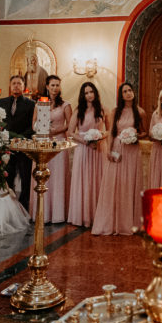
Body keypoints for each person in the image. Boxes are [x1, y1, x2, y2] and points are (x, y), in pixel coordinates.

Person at [92, 82, 147, 235]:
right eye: (125, 91)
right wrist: (109, 151)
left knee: (129, 183)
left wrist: (134, 135)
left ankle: (129, 222)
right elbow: (111, 133)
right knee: (114, 184)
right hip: (117, 148)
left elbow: (145, 132)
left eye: (130, 90)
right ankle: (112, 221)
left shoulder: (140, 112)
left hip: (132, 150)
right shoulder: (115, 111)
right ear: (121, 95)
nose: (128, 93)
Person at [30, 75, 72, 223]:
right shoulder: (40, 104)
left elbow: (70, 124)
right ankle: (43, 213)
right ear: (47, 86)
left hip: (58, 142)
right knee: (43, 175)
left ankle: (58, 214)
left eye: (57, 85)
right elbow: (33, 124)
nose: (55, 88)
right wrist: (41, 129)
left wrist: (56, 130)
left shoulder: (65, 105)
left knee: (57, 176)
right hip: (43, 142)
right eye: (52, 85)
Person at [67, 82, 107, 227]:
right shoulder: (78, 111)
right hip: (83, 150)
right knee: (84, 181)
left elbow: (109, 130)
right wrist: (86, 141)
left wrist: (100, 137)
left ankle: (98, 215)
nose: (89, 95)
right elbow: (70, 133)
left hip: (98, 150)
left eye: (91, 92)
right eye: (86, 93)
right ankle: (83, 216)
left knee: (97, 179)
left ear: (95, 93)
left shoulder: (102, 109)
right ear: (82, 95)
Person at [0, 75, 36, 205]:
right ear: (10, 86)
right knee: (8, 174)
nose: (16, 86)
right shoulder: (2, 102)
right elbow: (0, 122)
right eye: (14, 83)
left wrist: (19, 138)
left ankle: (24, 205)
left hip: (23, 145)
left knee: (25, 176)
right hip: (7, 146)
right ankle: (9, 204)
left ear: (23, 86)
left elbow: (32, 126)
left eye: (19, 84)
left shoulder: (31, 104)